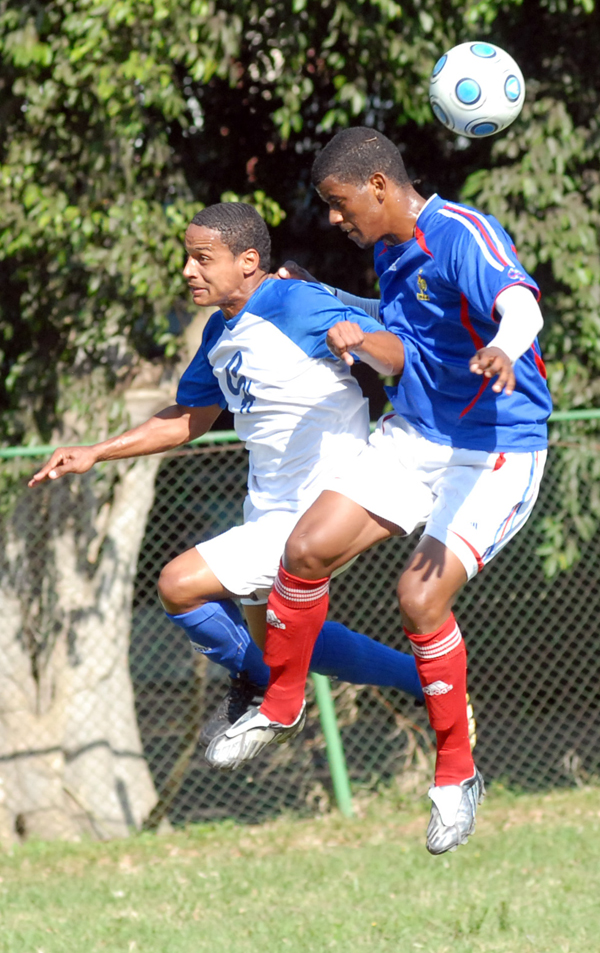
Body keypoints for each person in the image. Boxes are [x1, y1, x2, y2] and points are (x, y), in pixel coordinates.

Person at [206, 130, 553, 855]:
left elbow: (521, 303)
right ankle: (282, 702)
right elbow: (407, 343)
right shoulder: (392, 254)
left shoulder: (462, 232)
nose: (335, 219)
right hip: (418, 435)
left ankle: (456, 775)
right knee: (303, 549)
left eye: (339, 204)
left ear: (377, 185)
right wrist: (346, 326)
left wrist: (504, 347)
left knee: (419, 600)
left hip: (496, 447)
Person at [29, 201, 430, 750]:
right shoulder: (220, 334)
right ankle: (419, 681)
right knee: (292, 644)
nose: (189, 270)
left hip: (322, 505)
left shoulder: (295, 301)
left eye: (202, 258)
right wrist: (96, 452)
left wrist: (360, 341)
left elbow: (398, 345)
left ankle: (263, 689)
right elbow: (188, 420)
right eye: (187, 258)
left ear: (247, 260)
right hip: (265, 505)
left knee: (178, 584)